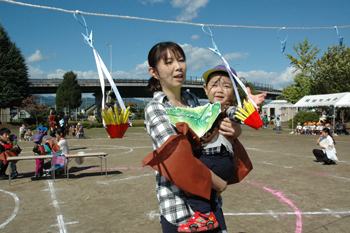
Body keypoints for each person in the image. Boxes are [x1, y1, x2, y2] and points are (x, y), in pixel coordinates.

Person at [144, 42, 261, 233]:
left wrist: (235, 133)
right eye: (168, 62)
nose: (178, 67)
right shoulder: (156, 108)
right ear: (153, 72)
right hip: (178, 207)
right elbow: (176, 158)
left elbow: (213, 137)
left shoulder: (193, 101)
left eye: (181, 60)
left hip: (210, 202)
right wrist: (218, 182)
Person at [177, 65, 265, 232]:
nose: (220, 90)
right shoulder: (205, 110)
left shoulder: (227, 108)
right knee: (211, 199)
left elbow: (237, 113)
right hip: (216, 160)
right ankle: (220, 228)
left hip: (216, 159)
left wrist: (250, 104)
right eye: (215, 84)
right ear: (205, 88)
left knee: (190, 183)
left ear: (235, 91)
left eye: (226, 85)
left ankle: (203, 215)